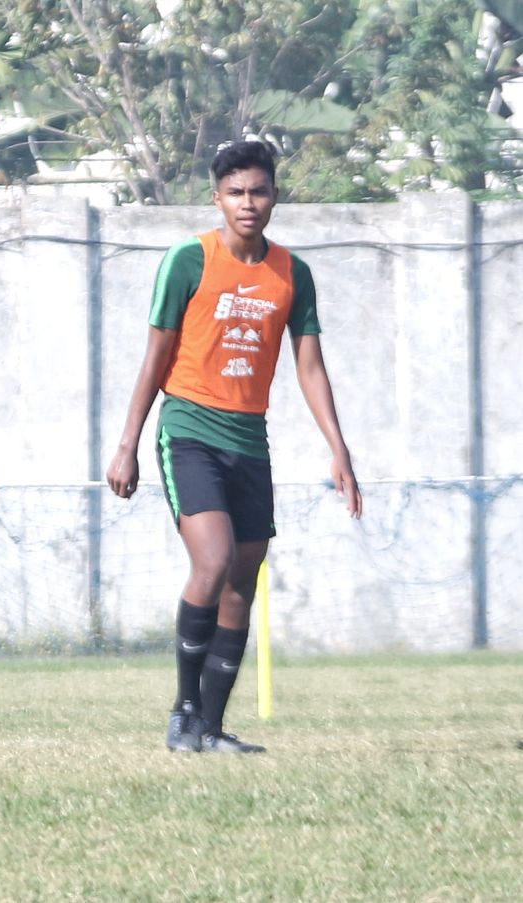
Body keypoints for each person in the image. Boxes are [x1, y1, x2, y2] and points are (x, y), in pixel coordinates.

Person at [105, 140, 362, 754]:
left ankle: (212, 729)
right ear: (218, 198)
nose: (249, 203)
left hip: (251, 438)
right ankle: (183, 711)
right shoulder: (188, 261)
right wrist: (127, 444)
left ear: (275, 195)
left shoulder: (292, 274)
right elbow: (155, 359)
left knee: (242, 582)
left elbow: (310, 367)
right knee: (213, 561)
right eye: (236, 192)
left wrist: (340, 451)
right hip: (190, 429)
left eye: (260, 191)